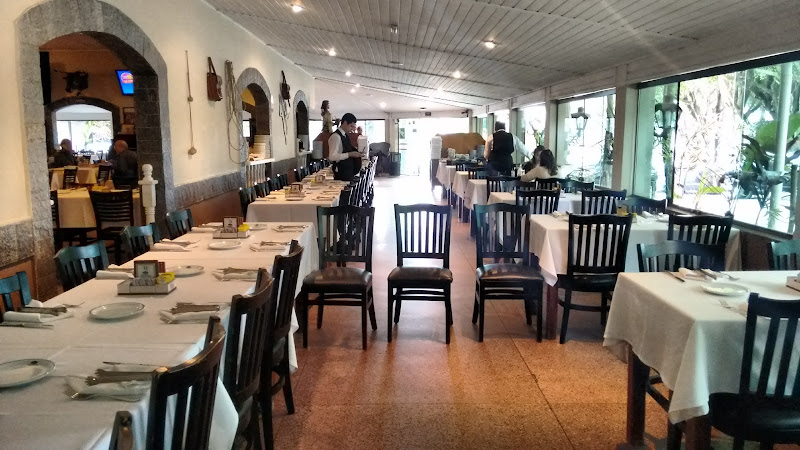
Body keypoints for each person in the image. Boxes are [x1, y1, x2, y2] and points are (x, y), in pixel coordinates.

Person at [327, 113, 362, 181]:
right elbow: (332, 156)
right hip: (341, 173)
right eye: (351, 126)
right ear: (345, 123)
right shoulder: (336, 137)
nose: (352, 129)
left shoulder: (345, 135)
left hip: (348, 171)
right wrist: (350, 154)